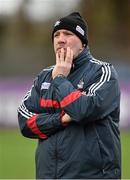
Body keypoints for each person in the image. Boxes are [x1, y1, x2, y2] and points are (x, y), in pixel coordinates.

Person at [18, 12, 121, 179]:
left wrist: (59, 79)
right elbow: (24, 122)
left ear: (83, 43)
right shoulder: (43, 77)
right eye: (56, 35)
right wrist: (60, 119)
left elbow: (84, 110)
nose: (60, 39)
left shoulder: (103, 72)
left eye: (68, 34)